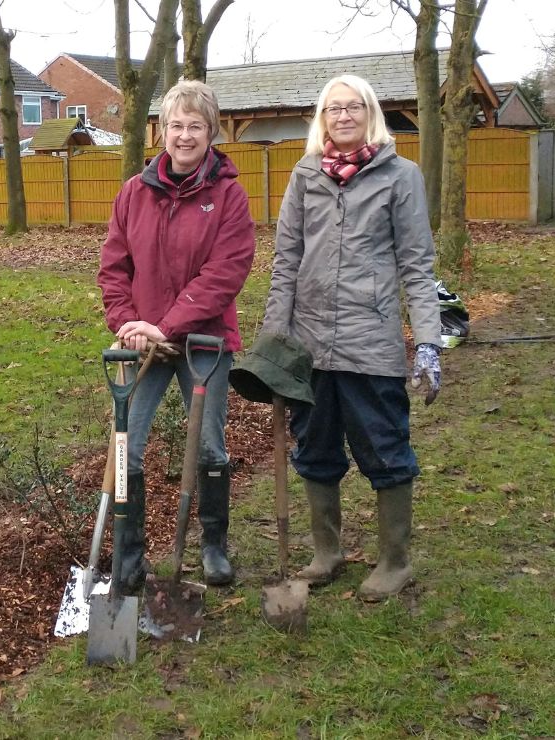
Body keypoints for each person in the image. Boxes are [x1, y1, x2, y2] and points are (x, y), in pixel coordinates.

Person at [262, 74, 442, 602]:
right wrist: (274, 339)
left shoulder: (400, 176)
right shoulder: (304, 175)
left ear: (370, 113)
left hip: (372, 342)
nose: (343, 116)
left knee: (384, 449)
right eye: (333, 109)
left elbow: (417, 263)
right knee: (316, 448)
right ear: (322, 118)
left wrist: (427, 340)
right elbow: (286, 262)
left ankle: (395, 560)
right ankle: (328, 552)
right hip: (310, 341)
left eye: (353, 107)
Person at [97, 80, 256, 592]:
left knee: (209, 445)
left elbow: (226, 272)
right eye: (175, 125)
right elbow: (113, 267)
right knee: (128, 447)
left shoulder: (227, 195)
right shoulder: (135, 192)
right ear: (161, 130)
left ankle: (213, 546)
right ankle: (129, 554)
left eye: (195, 126)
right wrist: (128, 322)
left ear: (211, 132)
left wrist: (167, 325)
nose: (184, 136)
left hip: (203, 343)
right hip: (142, 340)